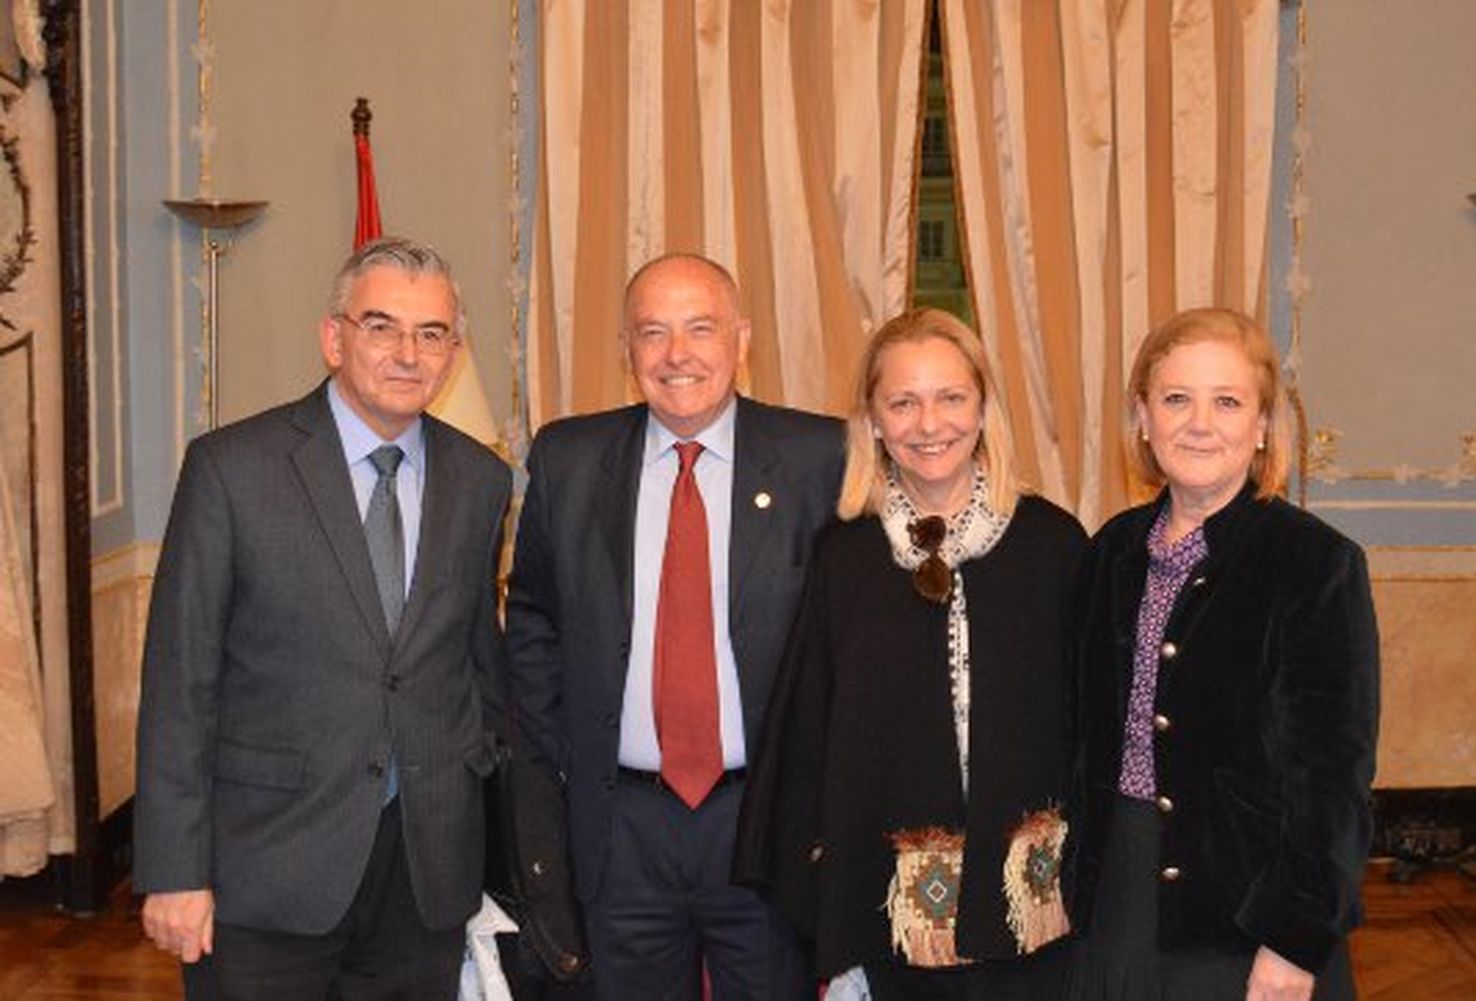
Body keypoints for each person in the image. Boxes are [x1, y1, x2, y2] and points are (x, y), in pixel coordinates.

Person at [133, 237, 513, 1000]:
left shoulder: (481, 479)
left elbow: (476, 664)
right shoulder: (232, 469)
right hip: (267, 871)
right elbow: (181, 682)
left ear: (454, 351)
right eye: (381, 326)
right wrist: (175, 871)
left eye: (431, 332)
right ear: (334, 336)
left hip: (424, 872)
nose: (408, 352)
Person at [505, 253, 843, 1000]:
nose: (677, 354)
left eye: (700, 327)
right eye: (652, 332)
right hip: (622, 822)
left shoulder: (822, 456)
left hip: (764, 819)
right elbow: (531, 617)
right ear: (627, 350)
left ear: (742, 339)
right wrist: (573, 750)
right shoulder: (568, 457)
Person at [734, 308, 1087, 999]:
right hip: (892, 917)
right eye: (904, 401)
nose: (930, 424)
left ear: (984, 407)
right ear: (872, 419)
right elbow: (811, 734)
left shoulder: (1054, 544)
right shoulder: (847, 556)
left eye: (951, 397)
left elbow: (1090, 730)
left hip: (1032, 913)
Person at [1067, 307, 1379, 1000]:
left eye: (1228, 401)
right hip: (1116, 894)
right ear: (1143, 418)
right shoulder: (1110, 551)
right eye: (1176, 398)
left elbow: (1333, 780)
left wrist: (1294, 938)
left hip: (1247, 908)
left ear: (1264, 425)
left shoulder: (1316, 565)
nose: (1199, 423)